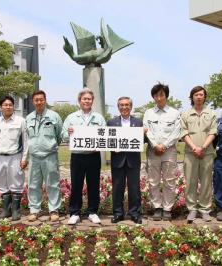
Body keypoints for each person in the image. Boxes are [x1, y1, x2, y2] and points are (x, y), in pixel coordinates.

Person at [62, 88, 106, 225]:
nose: (87, 101)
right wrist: (68, 133)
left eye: (89, 99)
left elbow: (104, 135)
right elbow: (63, 136)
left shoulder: (99, 118)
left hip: (93, 156)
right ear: (79, 101)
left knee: (94, 185)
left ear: (92, 101)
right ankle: (74, 212)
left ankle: (92, 212)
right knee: (76, 185)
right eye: (84, 99)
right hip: (77, 156)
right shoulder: (71, 117)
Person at [143, 83, 181, 221]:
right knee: (153, 181)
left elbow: (177, 132)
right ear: (153, 97)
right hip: (153, 152)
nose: (159, 98)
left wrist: (164, 145)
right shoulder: (148, 113)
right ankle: (157, 208)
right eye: (156, 95)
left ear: (166, 96)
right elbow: (146, 130)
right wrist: (155, 145)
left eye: (162, 95)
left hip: (169, 151)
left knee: (169, 181)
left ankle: (167, 209)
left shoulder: (175, 113)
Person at [26, 90, 63, 222]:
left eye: (41, 99)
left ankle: (54, 209)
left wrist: (50, 146)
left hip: (50, 156)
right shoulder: (29, 118)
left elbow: (59, 135)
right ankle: (34, 210)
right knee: (33, 184)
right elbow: (27, 138)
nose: (39, 102)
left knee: (52, 184)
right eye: (36, 100)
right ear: (33, 101)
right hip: (34, 157)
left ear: (45, 100)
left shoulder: (54, 116)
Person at [181, 86, 217, 223]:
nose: (199, 97)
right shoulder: (185, 114)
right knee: (190, 182)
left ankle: (205, 210)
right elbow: (183, 133)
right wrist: (195, 148)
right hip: (190, 154)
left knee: (206, 182)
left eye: (201, 94)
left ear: (205, 97)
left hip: (207, 153)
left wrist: (202, 147)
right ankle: (192, 209)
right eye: (196, 94)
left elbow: (213, 132)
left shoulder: (211, 114)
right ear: (192, 97)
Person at [0, 95, 28, 221]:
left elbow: (25, 141)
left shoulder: (20, 121)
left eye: (10, 105)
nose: (8, 107)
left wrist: (24, 158)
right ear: (0, 107)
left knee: (17, 183)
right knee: (2, 184)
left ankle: (16, 211)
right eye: (5, 105)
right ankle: (6, 211)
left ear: (13, 107)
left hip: (15, 157)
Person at [108, 97, 143, 224]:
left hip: (133, 160)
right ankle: (118, 214)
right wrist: (113, 148)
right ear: (118, 107)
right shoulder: (111, 122)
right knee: (117, 188)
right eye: (122, 105)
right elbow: (107, 140)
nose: (124, 107)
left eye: (127, 105)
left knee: (134, 188)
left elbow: (142, 140)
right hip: (117, 159)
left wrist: (144, 133)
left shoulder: (138, 122)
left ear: (131, 107)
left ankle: (134, 213)